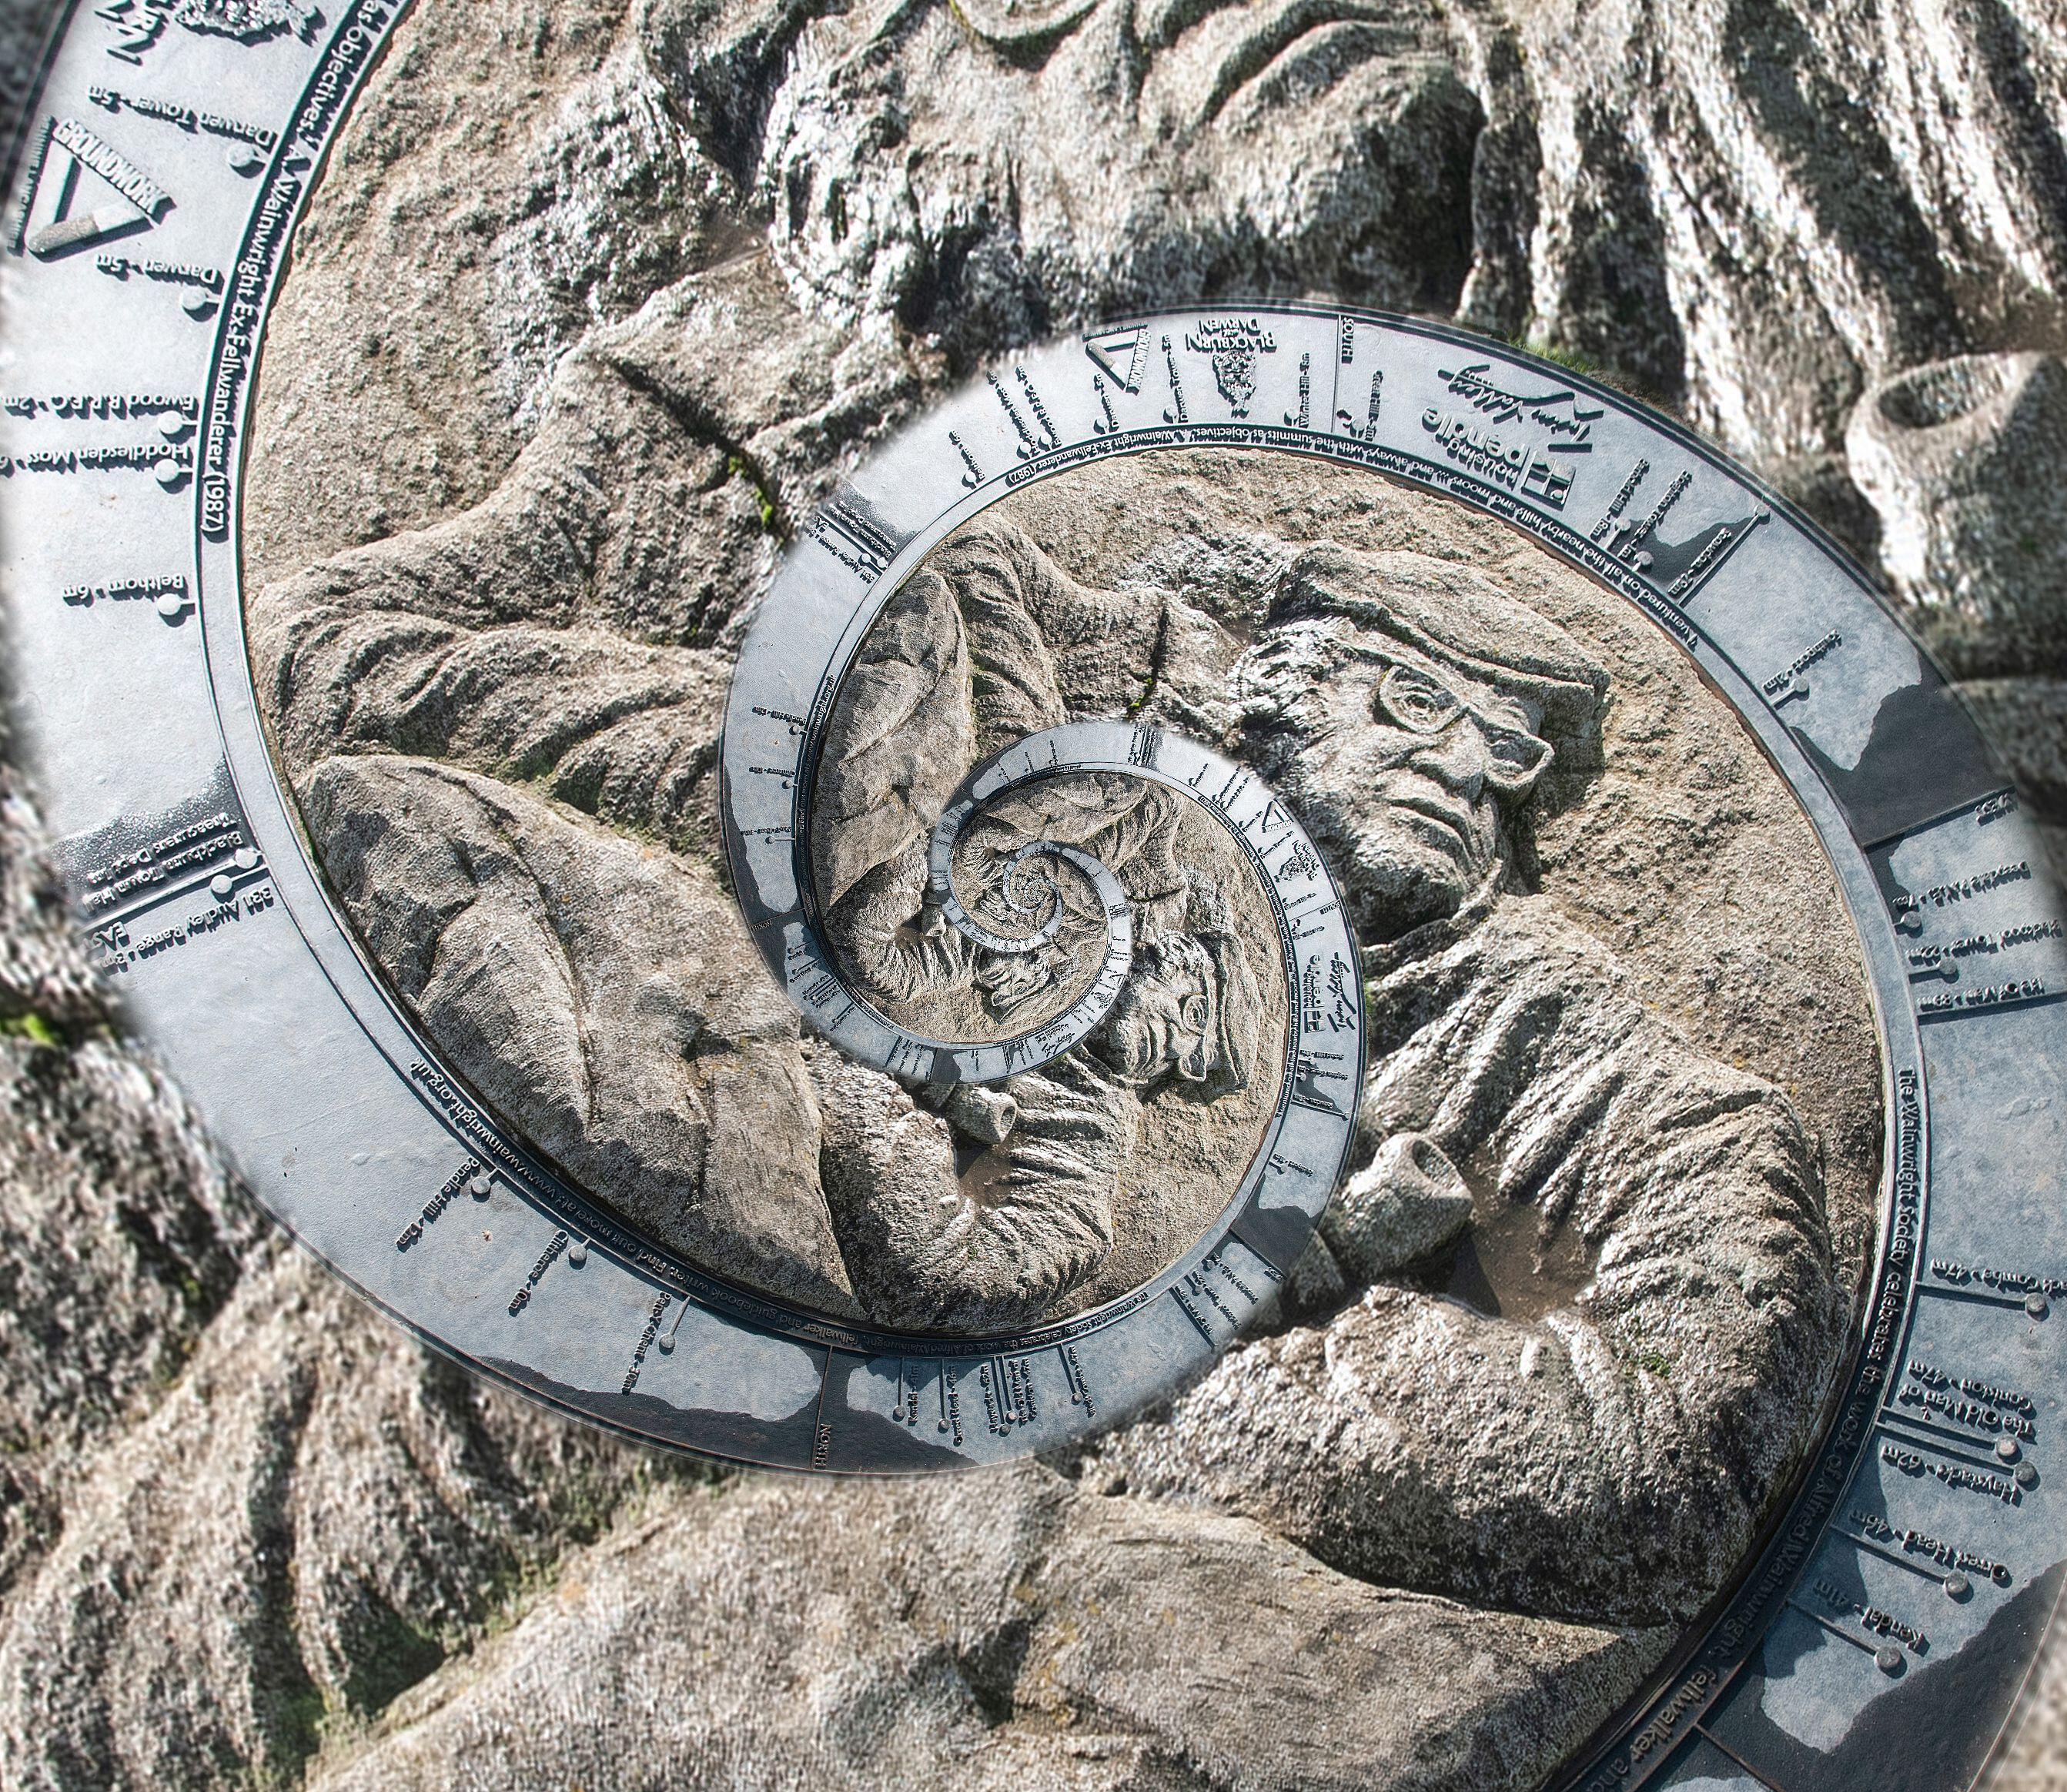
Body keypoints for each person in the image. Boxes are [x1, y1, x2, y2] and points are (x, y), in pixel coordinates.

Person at [1104, 543, 1846, 1629]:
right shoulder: (1081, 942)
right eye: (1413, 703)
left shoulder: (1643, 1095)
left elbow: (1661, 1464)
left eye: (1503, 749)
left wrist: (1152, 1395)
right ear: (1267, 706)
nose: (1462, 772)